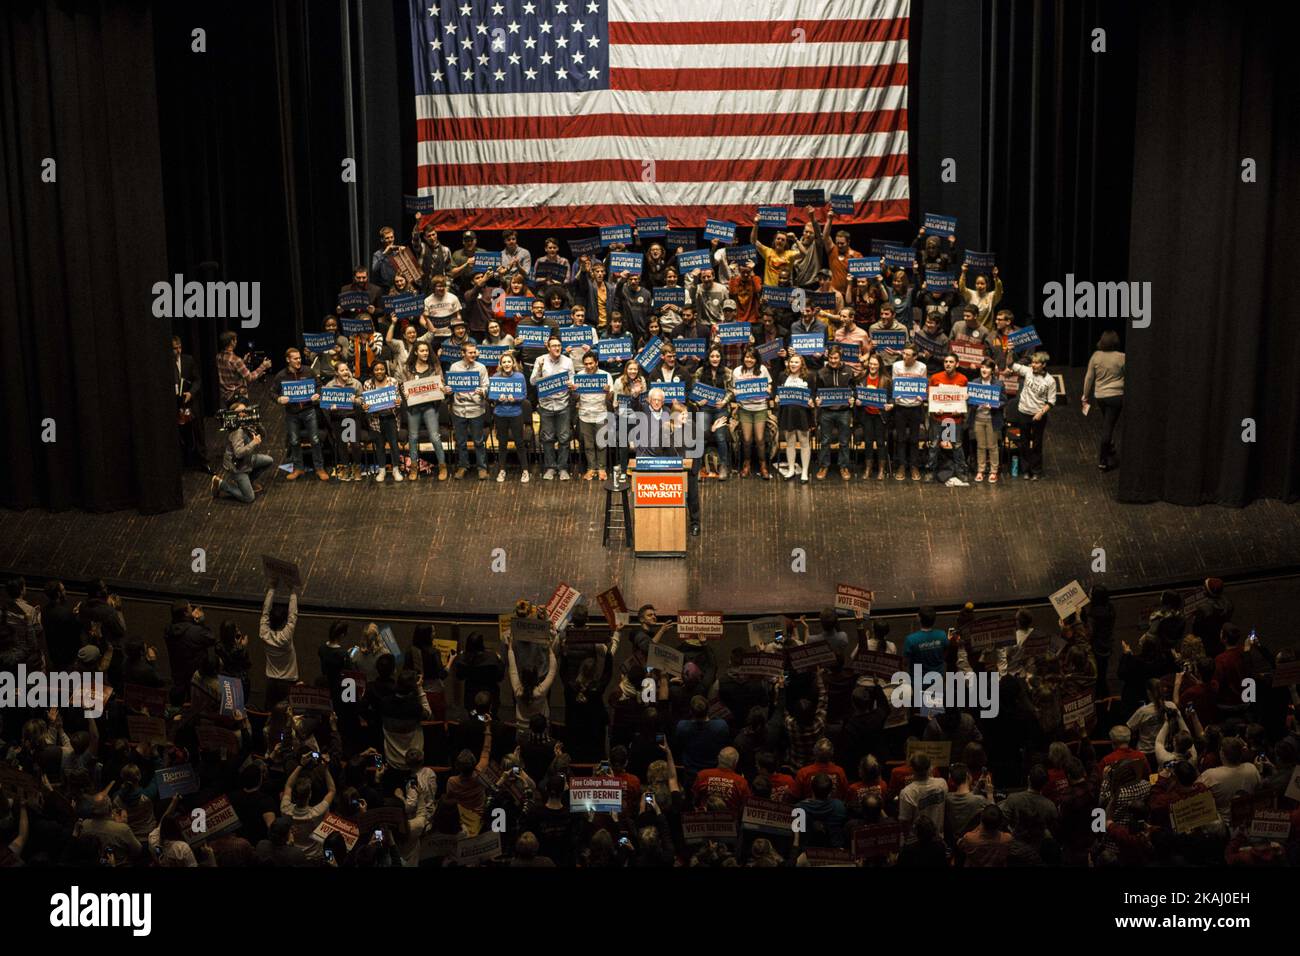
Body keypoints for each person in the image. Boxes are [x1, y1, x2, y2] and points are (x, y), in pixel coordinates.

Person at [272, 347, 329, 481]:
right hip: (292, 413)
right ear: (288, 360)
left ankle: (319, 468)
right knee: (294, 441)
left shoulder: (308, 371)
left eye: (299, 358)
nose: (299, 360)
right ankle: (298, 468)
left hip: (309, 410)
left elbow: (319, 385)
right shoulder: (281, 376)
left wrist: (317, 394)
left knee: (315, 440)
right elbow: (272, 392)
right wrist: (278, 399)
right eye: (295, 358)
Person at [402, 339, 449, 481]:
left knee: (434, 436)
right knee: (413, 437)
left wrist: (442, 387)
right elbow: (403, 385)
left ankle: (442, 466)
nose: (425, 353)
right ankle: (414, 468)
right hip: (414, 407)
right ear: (416, 352)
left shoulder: (434, 366)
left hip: (430, 406)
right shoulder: (408, 368)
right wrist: (404, 392)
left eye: (427, 350)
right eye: (422, 351)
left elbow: (441, 382)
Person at [212, 399, 275, 502]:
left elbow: (264, 435)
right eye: (240, 412)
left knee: (268, 460)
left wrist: (257, 423)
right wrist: (253, 442)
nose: (244, 414)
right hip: (237, 466)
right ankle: (221, 484)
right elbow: (238, 453)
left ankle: (248, 483)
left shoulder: (247, 424)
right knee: (249, 498)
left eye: (245, 411)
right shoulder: (238, 431)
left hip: (248, 460)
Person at [531, 336, 575, 480]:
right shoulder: (540, 360)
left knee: (564, 438)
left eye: (559, 345)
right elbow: (532, 381)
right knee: (547, 438)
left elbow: (573, 379)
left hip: (563, 405)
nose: (557, 348)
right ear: (548, 348)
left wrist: (571, 384)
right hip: (546, 406)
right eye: (554, 346)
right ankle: (550, 467)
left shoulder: (568, 361)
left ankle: (562, 468)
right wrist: (539, 369)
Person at [1008, 351, 1057, 480]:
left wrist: (1041, 413)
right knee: (1023, 442)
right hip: (1023, 412)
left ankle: (1036, 471)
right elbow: (1011, 364)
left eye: (1036, 363)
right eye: (1032, 362)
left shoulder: (1049, 381)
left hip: (1037, 415)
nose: (1033, 365)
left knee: (1036, 444)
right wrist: (1010, 352)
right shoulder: (1027, 371)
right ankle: (1026, 470)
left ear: (1043, 364)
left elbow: (1051, 401)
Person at [447, 341, 491, 480]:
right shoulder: (454, 367)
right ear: (463, 353)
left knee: (478, 441)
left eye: (474, 352)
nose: (473, 354)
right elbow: (450, 386)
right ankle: (463, 466)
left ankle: (482, 468)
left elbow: (486, 386)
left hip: (476, 409)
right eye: (470, 352)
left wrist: (482, 391)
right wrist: (447, 389)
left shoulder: (481, 367)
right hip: (459, 409)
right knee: (461, 441)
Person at [1083, 329, 1125, 471]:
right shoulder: (1122, 357)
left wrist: (1085, 395)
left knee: (1107, 422)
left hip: (1100, 396)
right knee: (1108, 427)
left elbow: (1089, 377)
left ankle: (1110, 445)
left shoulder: (1096, 356)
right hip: (1117, 396)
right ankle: (1103, 460)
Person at [691, 345, 733, 481]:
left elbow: (731, 391)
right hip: (706, 409)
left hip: (720, 409)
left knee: (720, 436)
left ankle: (723, 466)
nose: (715, 359)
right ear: (708, 358)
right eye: (712, 356)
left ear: (721, 358)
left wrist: (724, 401)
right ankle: (697, 467)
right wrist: (699, 401)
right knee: (701, 435)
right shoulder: (700, 372)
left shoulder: (727, 372)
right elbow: (694, 392)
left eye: (717, 356)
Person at [928, 353, 970, 486]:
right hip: (938, 418)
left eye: (951, 362)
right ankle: (930, 472)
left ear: (957, 364)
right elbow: (930, 397)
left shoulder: (963, 379)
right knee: (934, 445)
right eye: (946, 361)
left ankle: (961, 472)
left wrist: (961, 408)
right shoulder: (935, 378)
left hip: (954, 420)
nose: (948, 364)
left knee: (956, 446)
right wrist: (935, 408)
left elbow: (964, 399)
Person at [814, 345, 855, 480]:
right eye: (830, 358)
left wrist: (852, 397)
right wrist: (817, 399)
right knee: (825, 441)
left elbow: (853, 389)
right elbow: (817, 391)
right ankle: (824, 466)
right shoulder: (821, 372)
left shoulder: (849, 371)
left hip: (844, 411)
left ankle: (843, 466)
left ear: (840, 358)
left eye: (835, 358)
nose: (833, 360)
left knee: (844, 441)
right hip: (826, 411)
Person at [731, 347, 773, 480]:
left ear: (756, 359)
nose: (749, 360)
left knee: (760, 439)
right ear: (743, 357)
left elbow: (770, 386)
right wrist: (735, 392)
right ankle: (747, 463)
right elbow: (733, 387)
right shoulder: (737, 371)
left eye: (752, 357)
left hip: (760, 408)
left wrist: (768, 389)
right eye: (747, 357)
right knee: (747, 439)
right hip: (745, 409)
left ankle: (763, 465)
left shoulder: (763, 370)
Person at [505, 634, 559, 732]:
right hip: (542, 728)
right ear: (536, 678)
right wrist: (550, 648)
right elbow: (552, 670)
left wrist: (510, 646)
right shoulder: (541, 691)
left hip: (521, 729)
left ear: (522, 678)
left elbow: (512, 668)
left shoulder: (517, 691)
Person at [361, 360, 403, 482]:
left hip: (391, 418)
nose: (379, 371)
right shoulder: (367, 384)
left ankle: (396, 469)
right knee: (379, 446)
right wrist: (365, 406)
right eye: (376, 369)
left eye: (382, 369)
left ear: (385, 370)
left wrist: (398, 402)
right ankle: (382, 470)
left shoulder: (393, 381)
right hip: (376, 420)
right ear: (373, 372)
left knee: (394, 445)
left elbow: (398, 398)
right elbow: (365, 401)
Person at [890, 344, 929, 481]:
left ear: (915, 357)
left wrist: (921, 396)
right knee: (900, 438)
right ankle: (901, 465)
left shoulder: (922, 367)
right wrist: (896, 395)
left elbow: (923, 387)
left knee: (914, 439)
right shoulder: (897, 366)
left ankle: (914, 466)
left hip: (915, 407)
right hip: (901, 407)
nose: (904, 356)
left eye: (908, 354)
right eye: (903, 354)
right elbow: (895, 384)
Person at [490, 352, 530, 482]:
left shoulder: (520, 377)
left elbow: (524, 395)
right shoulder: (495, 377)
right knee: (502, 443)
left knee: (519, 442)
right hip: (500, 414)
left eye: (509, 361)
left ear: (513, 363)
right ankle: (502, 470)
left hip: (515, 414)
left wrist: (516, 399)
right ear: (500, 364)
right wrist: (497, 398)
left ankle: (525, 471)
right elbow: (491, 396)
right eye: (504, 362)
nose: (507, 364)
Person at [776, 353, 814, 483]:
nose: (793, 364)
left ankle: (804, 471)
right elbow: (778, 393)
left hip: (803, 414)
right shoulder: (782, 375)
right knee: (790, 442)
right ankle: (791, 469)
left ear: (801, 364)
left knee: (804, 442)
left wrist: (811, 401)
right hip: (787, 413)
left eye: (796, 362)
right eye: (791, 362)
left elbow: (813, 394)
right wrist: (777, 398)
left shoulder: (809, 376)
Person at [259, 586, 299, 709]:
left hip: (271, 682)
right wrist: (293, 591)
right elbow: (292, 615)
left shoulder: (264, 633)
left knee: (269, 712)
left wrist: (271, 587)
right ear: (283, 622)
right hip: (287, 683)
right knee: (286, 714)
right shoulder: (285, 637)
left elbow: (265, 611)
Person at [966, 358, 1005, 483]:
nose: (984, 370)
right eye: (982, 367)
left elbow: (1004, 401)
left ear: (992, 371)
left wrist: (994, 405)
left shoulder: (998, 384)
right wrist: (968, 399)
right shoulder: (974, 382)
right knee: (981, 446)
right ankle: (980, 470)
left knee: (992, 446)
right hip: (978, 419)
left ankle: (993, 471)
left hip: (991, 419)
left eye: (987, 368)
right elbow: (969, 401)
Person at [215, 330, 271, 406]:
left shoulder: (218, 357)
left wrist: (243, 362)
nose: (236, 341)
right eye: (235, 339)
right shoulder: (236, 360)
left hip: (225, 397)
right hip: (238, 397)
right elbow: (250, 377)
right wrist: (263, 366)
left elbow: (231, 370)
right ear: (232, 341)